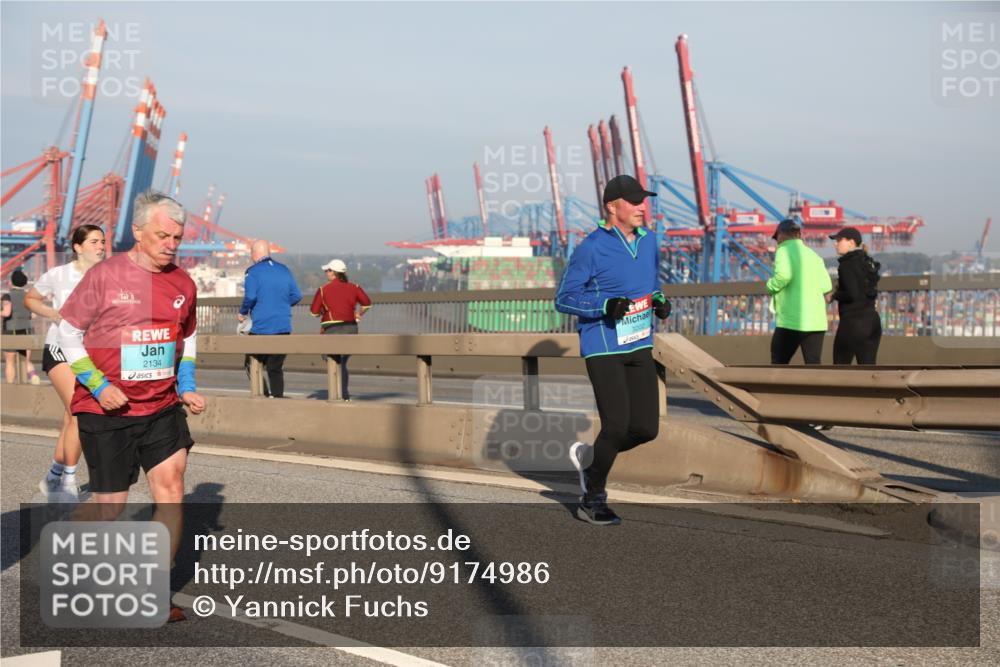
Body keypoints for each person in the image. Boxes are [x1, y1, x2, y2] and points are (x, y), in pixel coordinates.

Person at [57, 191, 205, 623]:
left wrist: (188, 383)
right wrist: (98, 385)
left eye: (177, 237)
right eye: (162, 235)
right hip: (107, 410)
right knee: (110, 505)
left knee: (172, 489)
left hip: (161, 407)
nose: (171, 244)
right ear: (137, 232)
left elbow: (188, 336)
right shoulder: (106, 275)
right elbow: (66, 334)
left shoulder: (184, 283)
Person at [555, 175, 671, 526]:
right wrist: (604, 305)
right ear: (612, 206)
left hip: (639, 343)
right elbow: (564, 298)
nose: (641, 206)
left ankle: (593, 464)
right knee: (616, 426)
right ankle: (592, 498)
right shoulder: (591, 247)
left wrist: (660, 300)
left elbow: (651, 284)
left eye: (643, 200)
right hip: (603, 346)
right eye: (634, 201)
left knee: (646, 429)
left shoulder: (649, 242)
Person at [25, 224, 106, 498]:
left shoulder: (106, 276)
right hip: (59, 348)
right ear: (78, 246)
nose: (101, 246)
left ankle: (52, 477)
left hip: (88, 353)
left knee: (70, 419)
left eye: (103, 241)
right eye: (94, 241)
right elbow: (31, 299)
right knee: (80, 413)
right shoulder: (59, 274)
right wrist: (54, 313)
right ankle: (69, 484)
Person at [238, 240, 302, 398]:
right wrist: (281, 304)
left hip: (262, 328)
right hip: (283, 327)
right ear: (269, 253)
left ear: (254, 254)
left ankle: (263, 396)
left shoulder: (252, 272)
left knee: (251, 364)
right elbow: (297, 295)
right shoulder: (284, 270)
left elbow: (251, 296)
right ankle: (278, 400)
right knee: (275, 367)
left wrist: (243, 312)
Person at [766, 219, 832, 365]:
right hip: (816, 322)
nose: (777, 242)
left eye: (777, 238)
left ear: (781, 235)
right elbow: (826, 286)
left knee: (778, 363)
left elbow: (784, 275)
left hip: (791, 320)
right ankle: (815, 388)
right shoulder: (814, 255)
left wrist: (770, 286)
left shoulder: (783, 250)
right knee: (813, 364)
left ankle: (778, 389)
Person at [309, 258, 371, 401]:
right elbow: (367, 304)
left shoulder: (323, 290)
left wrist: (324, 311)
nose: (326, 273)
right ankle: (343, 394)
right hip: (351, 328)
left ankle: (338, 394)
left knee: (333, 362)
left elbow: (313, 312)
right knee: (342, 363)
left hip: (332, 328)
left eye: (328, 270)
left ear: (334, 273)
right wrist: (358, 313)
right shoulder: (354, 287)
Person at [829, 227, 882, 364]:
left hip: (853, 323)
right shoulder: (867, 261)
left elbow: (851, 294)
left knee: (840, 367)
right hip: (872, 322)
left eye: (839, 240)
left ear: (851, 243)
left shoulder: (847, 263)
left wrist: (834, 295)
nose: (836, 243)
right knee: (868, 371)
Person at [2, 269, 41, 385]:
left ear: (11, 282)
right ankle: (33, 376)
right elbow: (33, 315)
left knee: (10, 362)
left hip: (11, 331)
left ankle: (10, 387)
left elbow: (6, 313)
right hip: (27, 331)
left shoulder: (7, 296)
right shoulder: (29, 296)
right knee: (25, 360)